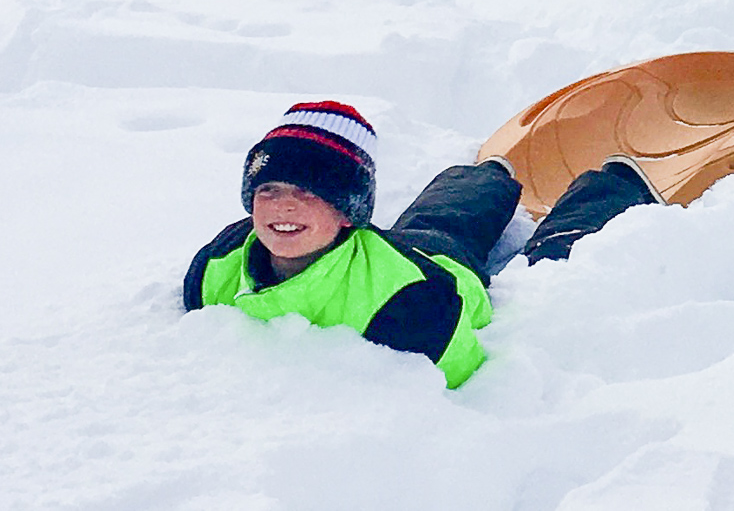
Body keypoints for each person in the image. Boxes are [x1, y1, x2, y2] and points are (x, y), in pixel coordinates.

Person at [182, 101, 660, 387]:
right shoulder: (217, 266)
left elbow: (461, 370)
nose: (283, 208)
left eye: (308, 193)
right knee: (437, 222)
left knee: (546, 258)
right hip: (401, 248)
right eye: (269, 190)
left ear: (348, 214)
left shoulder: (411, 302)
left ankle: (615, 184)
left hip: (448, 282)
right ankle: (488, 177)